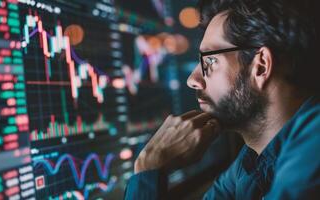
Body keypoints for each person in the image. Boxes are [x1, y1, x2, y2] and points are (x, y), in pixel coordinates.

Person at [124, 0, 320, 199]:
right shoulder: (250, 162)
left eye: (210, 60)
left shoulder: (313, 148)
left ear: (260, 66)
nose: (192, 80)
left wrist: (148, 170)